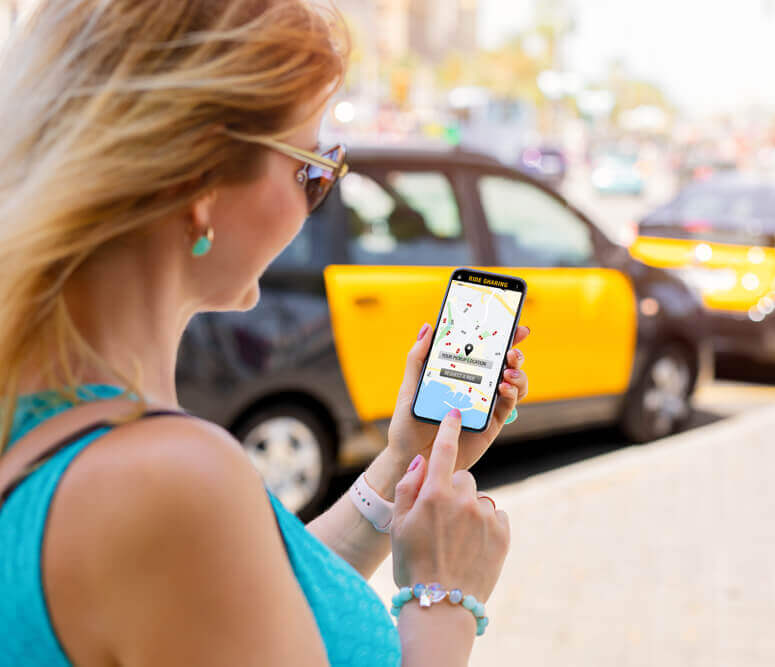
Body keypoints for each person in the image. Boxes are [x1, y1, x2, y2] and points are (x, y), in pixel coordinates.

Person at [0, 1, 530, 665]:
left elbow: (253, 608)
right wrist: (444, 597)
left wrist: (400, 469)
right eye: (310, 170)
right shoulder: (165, 480)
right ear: (200, 180)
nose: (315, 201)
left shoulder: (66, 430)